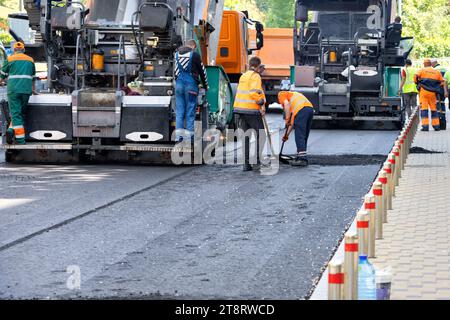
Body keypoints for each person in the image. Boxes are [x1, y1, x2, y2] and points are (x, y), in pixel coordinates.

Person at [233, 56, 266, 171]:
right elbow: (254, 92)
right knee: (261, 134)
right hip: (251, 110)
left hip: (240, 110)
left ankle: (246, 164)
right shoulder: (255, 76)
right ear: (257, 66)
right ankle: (257, 161)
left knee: (246, 136)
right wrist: (260, 102)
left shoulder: (244, 75)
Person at [0, 41, 36, 145]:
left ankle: (20, 140)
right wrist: (34, 90)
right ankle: (10, 131)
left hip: (13, 91)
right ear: (24, 50)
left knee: (16, 115)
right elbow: (33, 78)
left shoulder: (10, 59)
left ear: (14, 50)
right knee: (20, 114)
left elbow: (2, 76)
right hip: (26, 91)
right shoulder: (30, 60)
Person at [174, 39, 209, 142]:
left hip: (179, 85)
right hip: (191, 86)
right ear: (193, 46)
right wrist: (206, 85)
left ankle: (178, 137)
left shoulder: (176, 54)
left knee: (180, 112)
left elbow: (176, 72)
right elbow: (203, 72)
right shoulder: (195, 55)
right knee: (190, 111)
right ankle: (189, 138)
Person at [278, 91, 314, 167]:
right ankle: (301, 155)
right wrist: (286, 135)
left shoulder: (281, 94)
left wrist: (287, 119)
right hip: (310, 109)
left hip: (301, 110)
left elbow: (286, 105)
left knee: (299, 134)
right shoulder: (294, 97)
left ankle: (302, 159)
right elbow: (291, 123)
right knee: (304, 135)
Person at [415, 58, 448, 131]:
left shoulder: (421, 70)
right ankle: (436, 126)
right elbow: (442, 82)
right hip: (433, 93)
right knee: (434, 109)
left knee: (424, 109)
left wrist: (417, 83)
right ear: (430, 64)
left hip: (423, 92)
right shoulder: (436, 72)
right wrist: (437, 87)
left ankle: (425, 126)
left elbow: (415, 77)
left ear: (425, 64)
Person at [431, 58, 448, 130]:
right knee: (443, 105)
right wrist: (445, 91)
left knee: (437, 107)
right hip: (443, 90)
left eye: (431, 64)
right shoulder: (444, 69)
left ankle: (438, 124)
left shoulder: (434, 70)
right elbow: (445, 80)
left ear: (433, 63)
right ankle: (443, 125)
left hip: (437, 89)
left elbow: (433, 81)